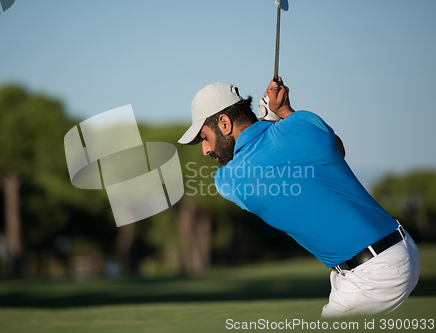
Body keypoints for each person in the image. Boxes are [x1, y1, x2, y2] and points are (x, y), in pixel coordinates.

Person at [178, 77, 420, 317]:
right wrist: (284, 112)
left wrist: (270, 120)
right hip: (392, 251)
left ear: (224, 123)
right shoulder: (304, 122)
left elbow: (266, 157)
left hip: (375, 274)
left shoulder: (229, 180)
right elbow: (337, 149)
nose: (205, 149)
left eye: (204, 137)